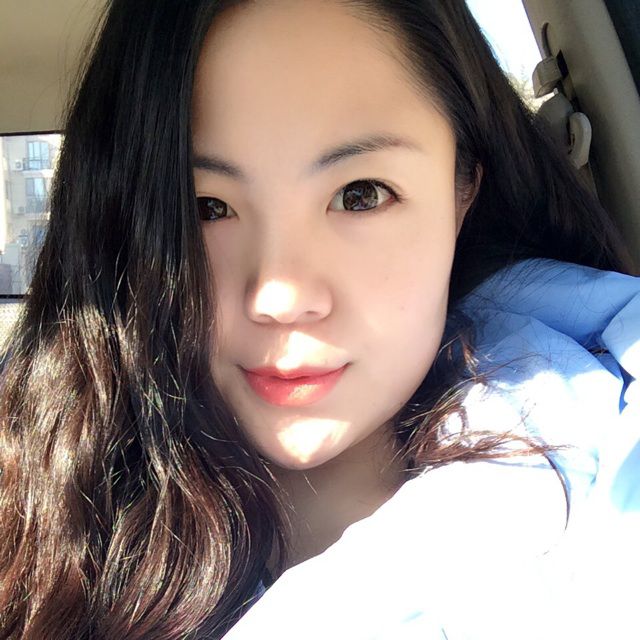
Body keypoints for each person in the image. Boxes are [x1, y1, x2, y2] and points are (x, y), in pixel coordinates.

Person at [0, 0, 637, 638]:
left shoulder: (610, 502)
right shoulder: (36, 501)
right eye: (205, 208)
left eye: (360, 195)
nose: (280, 298)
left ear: (461, 190)